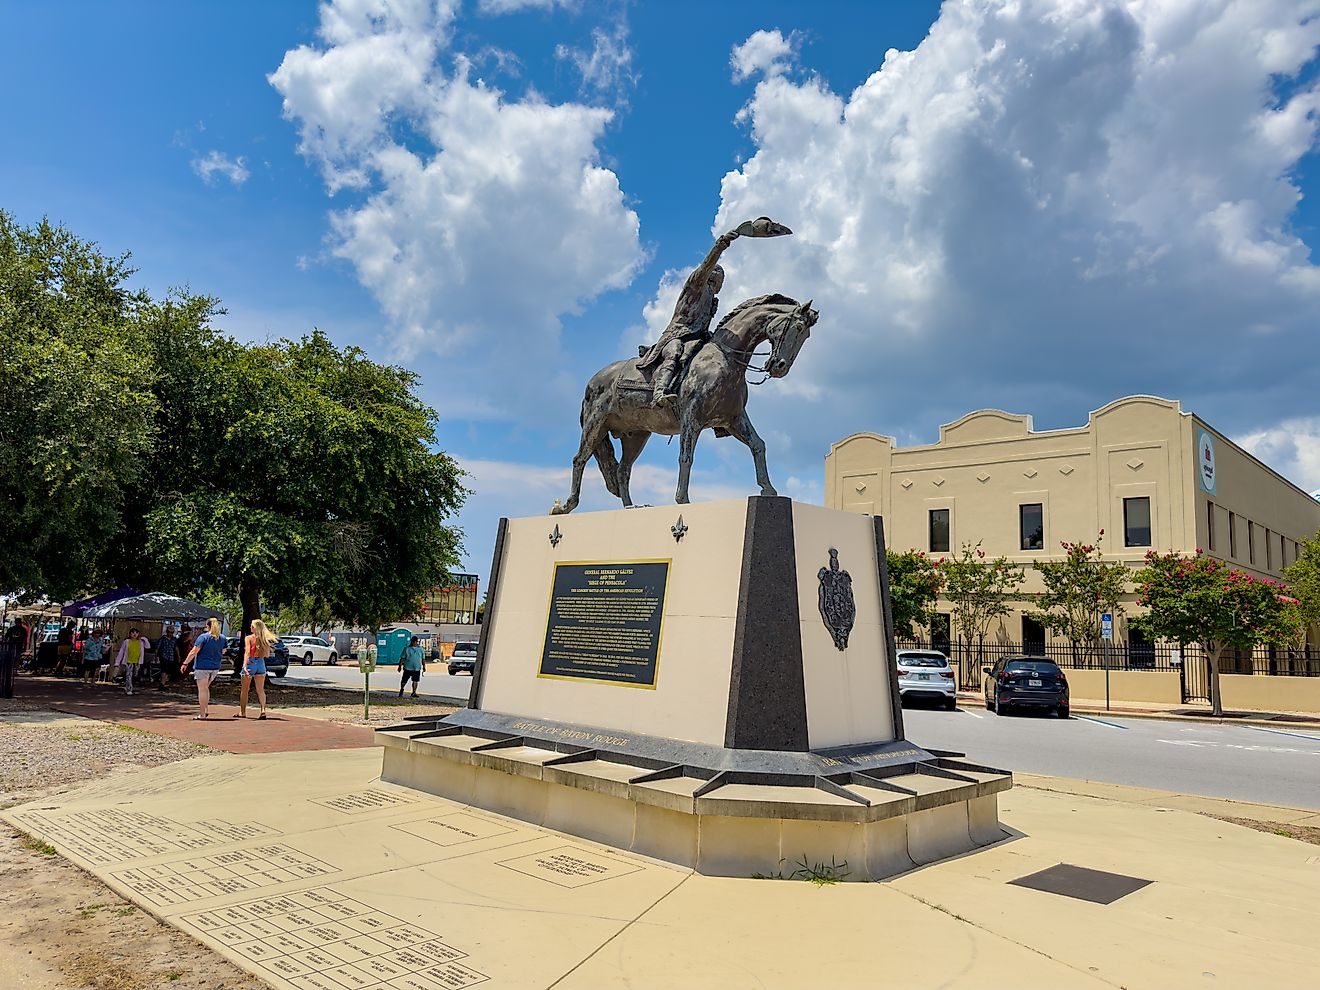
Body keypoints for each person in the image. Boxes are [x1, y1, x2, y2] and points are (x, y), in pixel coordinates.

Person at [637, 229, 740, 408]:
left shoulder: (712, 300)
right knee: (675, 351)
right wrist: (721, 245)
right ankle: (659, 392)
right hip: (676, 335)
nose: (721, 281)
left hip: (697, 338)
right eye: (718, 276)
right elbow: (706, 266)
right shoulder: (696, 285)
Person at [182, 618, 225, 719]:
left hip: (202, 666)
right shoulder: (222, 638)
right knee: (206, 689)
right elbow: (223, 651)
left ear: (207, 625)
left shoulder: (203, 637)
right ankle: (205, 710)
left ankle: (202, 714)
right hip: (215, 666)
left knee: (202, 690)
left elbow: (194, 651)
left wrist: (185, 663)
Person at [238, 619, 276, 720]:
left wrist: (244, 665)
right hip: (261, 663)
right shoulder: (264, 639)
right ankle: (263, 710)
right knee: (260, 690)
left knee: (245, 690)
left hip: (251, 662)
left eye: (252, 626)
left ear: (255, 628)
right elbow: (267, 654)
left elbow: (247, 652)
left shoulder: (249, 638)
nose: (250, 628)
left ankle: (243, 712)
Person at [114, 627, 151, 695]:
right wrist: (117, 662)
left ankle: (132, 686)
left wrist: (144, 638)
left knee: (135, 674)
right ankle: (129, 689)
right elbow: (121, 651)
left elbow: (148, 646)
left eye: (136, 633)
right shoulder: (126, 641)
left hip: (137, 661)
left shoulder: (141, 642)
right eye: (133, 633)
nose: (134, 634)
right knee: (129, 675)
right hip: (129, 661)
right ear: (130, 634)